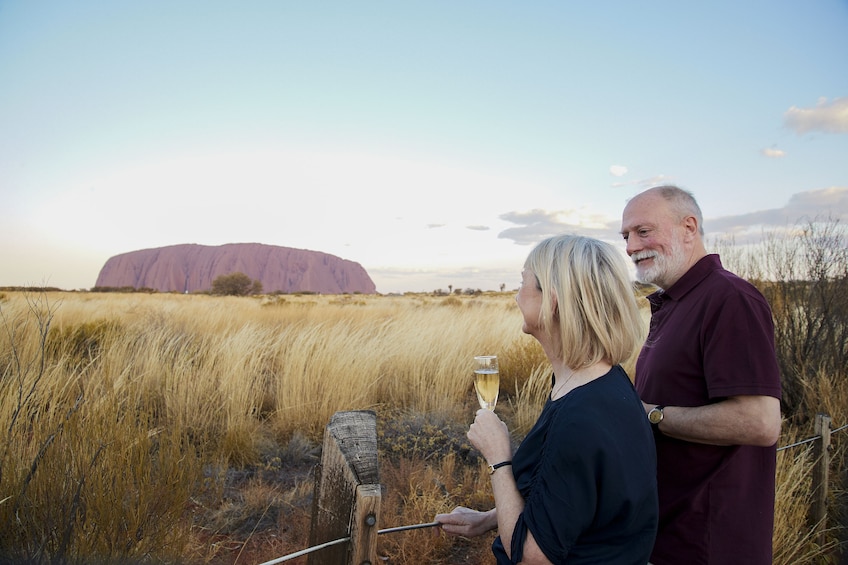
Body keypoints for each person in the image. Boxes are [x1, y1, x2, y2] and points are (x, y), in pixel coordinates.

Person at [435, 235, 658, 564]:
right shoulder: (600, 382)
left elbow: (531, 557)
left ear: (553, 301)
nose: (515, 297)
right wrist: (489, 519)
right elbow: (570, 500)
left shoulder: (579, 417)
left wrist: (499, 460)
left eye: (523, 282)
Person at [619, 185, 783, 565]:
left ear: (689, 228)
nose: (629, 246)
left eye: (643, 231)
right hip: (670, 533)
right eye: (626, 236)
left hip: (710, 543)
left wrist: (650, 415)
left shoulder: (729, 298)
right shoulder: (678, 302)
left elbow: (760, 422)